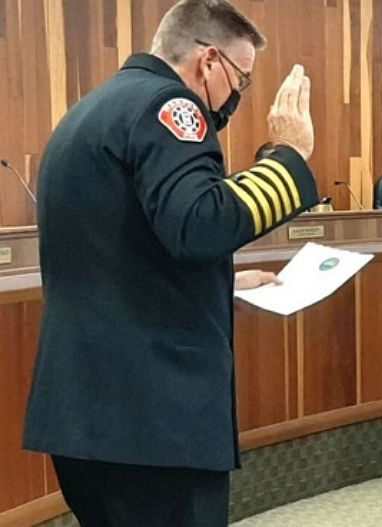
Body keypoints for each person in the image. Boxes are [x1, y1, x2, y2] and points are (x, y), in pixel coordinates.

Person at [23, 1, 318, 525]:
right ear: (208, 62)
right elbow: (198, 225)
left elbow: (120, 251)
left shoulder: (92, 110)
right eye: (241, 80)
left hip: (83, 416)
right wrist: (288, 159)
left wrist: (221, 284)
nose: (237, 99)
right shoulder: (170, 108)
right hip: (152, 423)